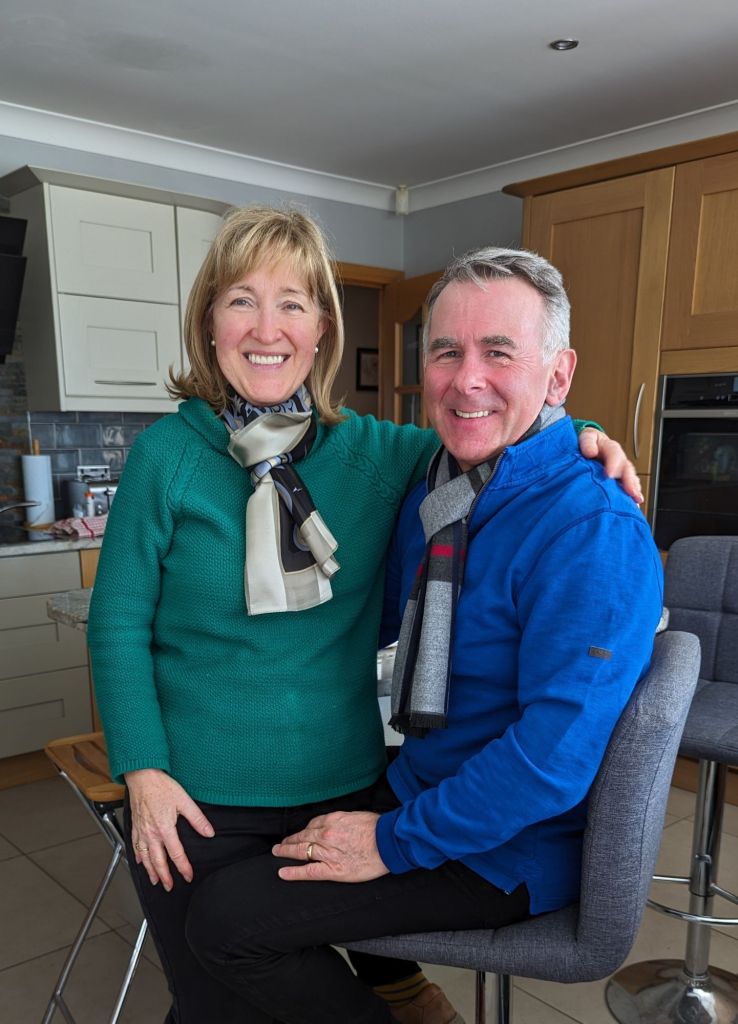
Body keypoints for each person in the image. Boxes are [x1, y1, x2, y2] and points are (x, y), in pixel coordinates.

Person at [87, 209, 641, 1024]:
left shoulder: (379, 455)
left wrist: (579, 434)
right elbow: (117, 625)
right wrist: (142, 769)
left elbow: (506, 438)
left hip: (348, 782)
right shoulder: (167, 458)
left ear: (322, 330)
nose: (267, 328)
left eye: (293, 303)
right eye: (241, 300)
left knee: (235, 942)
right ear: (208, 322)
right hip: (201, 785)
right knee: (213, 998)